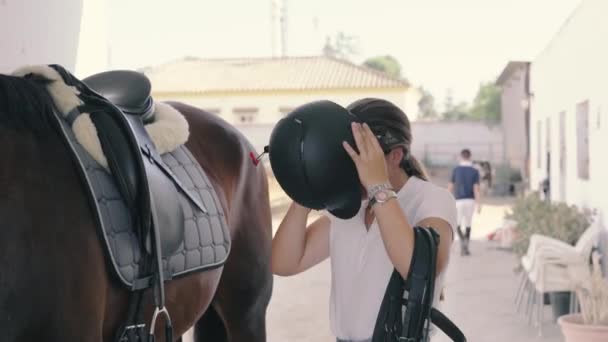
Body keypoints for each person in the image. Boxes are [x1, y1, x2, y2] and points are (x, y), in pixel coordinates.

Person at [271, 98, 457, 342]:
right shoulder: (351, 206)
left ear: (395, 156)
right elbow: (284, 263)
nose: (351, 171)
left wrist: (377, 186)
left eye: (361, 159)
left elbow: (419, 269)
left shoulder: (431, 200)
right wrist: (308, 190)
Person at [447, 149, 481, 256]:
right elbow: (476, 188)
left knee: (457, 223)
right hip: (470, 200)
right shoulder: (475, 171)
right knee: (468, 223)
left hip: (458, 200)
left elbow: (450, 187)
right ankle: (465, 247)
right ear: (470, 157)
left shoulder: (456, 170)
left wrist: (446, 200)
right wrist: (479, 203)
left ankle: (462, 241)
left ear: (461, 157)